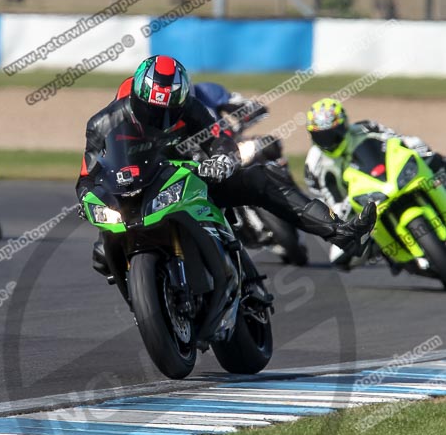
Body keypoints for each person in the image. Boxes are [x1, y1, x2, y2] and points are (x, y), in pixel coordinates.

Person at [76, 56, 376, 274]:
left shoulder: (191, 108)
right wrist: (86, 198)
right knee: (103, 255)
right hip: (136, 195)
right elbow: (88, 176)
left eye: (171, 110)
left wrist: (223, 160)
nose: (163, 120)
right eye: (154, 111)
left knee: (262, 178)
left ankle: (341, 233)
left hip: (188, 179)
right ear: (137, 100)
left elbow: (220, 141)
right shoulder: (104, 123)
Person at [304, 97, 446, 264]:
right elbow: (324, 199)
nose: (328, 142)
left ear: (344, 125)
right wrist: (340, 211)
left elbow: (397, 139)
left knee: (431, 157)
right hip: (354, 206)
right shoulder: (313, 164)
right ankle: (386, 251)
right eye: (321, 137)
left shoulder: (366, 128)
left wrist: (416, 147)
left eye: (332, 134)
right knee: (339, 258)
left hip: (385, 182)